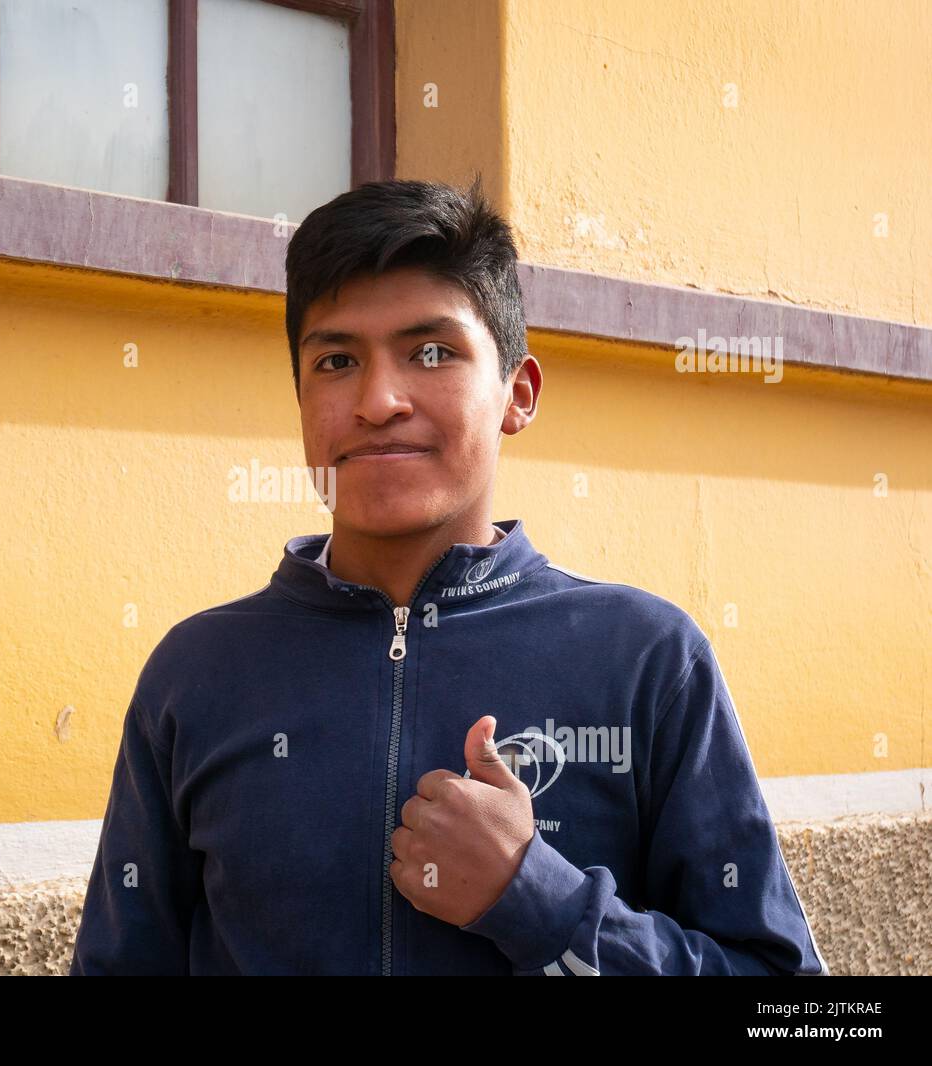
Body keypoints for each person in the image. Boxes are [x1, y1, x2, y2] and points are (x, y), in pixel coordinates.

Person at [68, 176, 829, 976]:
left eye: (432, 352)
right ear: (299, 397)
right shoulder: (196, 674)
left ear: (518, 393)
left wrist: (535, 899)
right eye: (335, 360)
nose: (378, 400)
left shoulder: (647, 660)